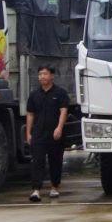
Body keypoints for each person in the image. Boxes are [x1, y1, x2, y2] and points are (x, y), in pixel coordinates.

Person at [25, 65, 70, 202]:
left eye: (45, 74)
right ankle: (36, 190)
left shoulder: (60, 93)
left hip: (55, 132)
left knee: (55, 160)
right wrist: (28, 133)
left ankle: (54, 187)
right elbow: (30, 114)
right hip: (38, 133)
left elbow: (63, 111)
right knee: (37, 161)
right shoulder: (34, 95)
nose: (42, 77)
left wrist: (59, 128)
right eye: (40, 74)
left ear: (52, 76)